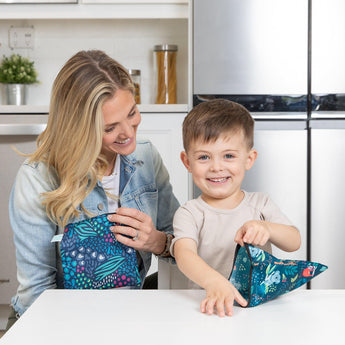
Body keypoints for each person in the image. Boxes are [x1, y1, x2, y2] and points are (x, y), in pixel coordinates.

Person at [8, 50, 179, 325]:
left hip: (124, 315)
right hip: (58, 321)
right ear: (80, 129)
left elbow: (184, 243)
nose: (128, 132)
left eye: (132, 113)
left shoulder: (146, 158)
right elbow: (36, 295)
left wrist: (157, 242)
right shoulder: (37, 180)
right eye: (110, 127)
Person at [171, 99, 301, 317]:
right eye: (204, 157)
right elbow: (184, 255)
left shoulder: (261, 204)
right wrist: (214, 282)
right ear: (187, 162)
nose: (216, 167)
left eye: (229, 156)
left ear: (249, 159)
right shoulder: (189, 213)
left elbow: (294, 241)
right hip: (209, 308)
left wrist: (267, 228)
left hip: (259, 308)